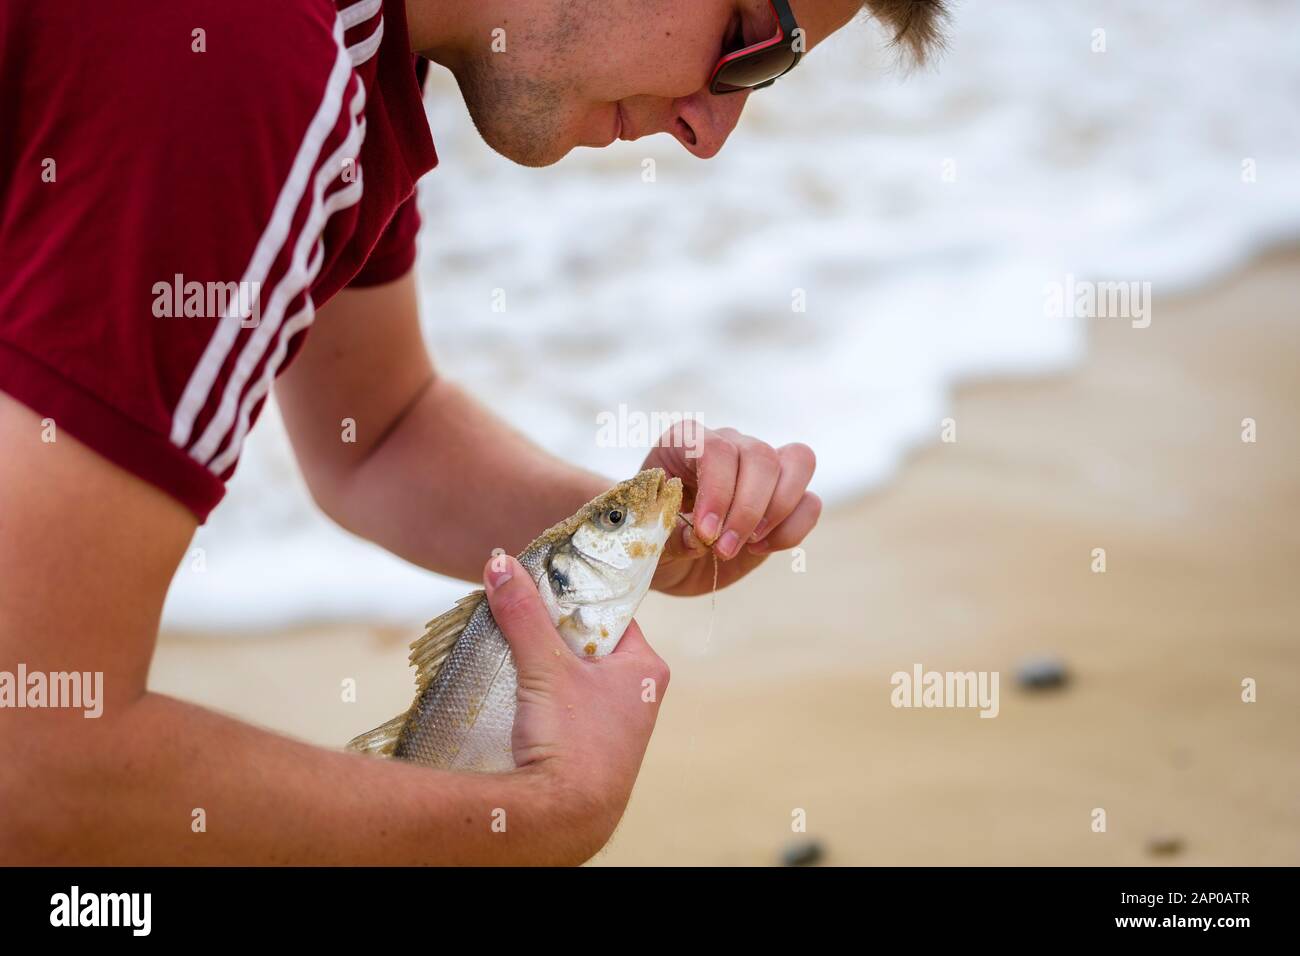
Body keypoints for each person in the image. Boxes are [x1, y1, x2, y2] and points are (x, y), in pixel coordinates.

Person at [0, 0, 947, 863]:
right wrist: (537, 821)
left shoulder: (370, 65)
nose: (711, 129)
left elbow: (375, 434)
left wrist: (626, 535)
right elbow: (32, 757)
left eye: (765, 75)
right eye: (748, 41)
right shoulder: (256, 59)